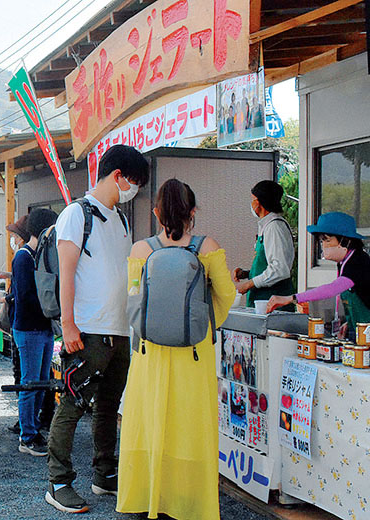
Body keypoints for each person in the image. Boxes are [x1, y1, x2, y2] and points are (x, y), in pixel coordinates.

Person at [116, 179, 236, 520]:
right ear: (192, 211)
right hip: (194, 355)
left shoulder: (141, 250)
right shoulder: (206, 247)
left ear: (156, 212)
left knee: (150, 422)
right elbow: (226, 295)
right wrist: (201, 326)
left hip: (149, 354)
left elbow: (133, 297)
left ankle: (146, 496)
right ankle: (188, 502)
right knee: (189, 427)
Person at [45, 144, 149, 514]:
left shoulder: (120, 219)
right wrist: (68, 326)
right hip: (87, 330)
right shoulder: (77, 214)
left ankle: (105, 474)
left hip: (119, 330)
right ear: (118, 176)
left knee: (108, 406)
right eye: (134, 182)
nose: (134, 190)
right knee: (73, 404)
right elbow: (66, 273)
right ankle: (58, 482)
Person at [268, 212, 370, 339]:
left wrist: (291, 298)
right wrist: (349, 323)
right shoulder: (345, 261)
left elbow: (332, 289)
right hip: (360, 330)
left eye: (327, 240)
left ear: (345, 241)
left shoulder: (358, 261)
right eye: (322, 241)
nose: (323, 245)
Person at [11, 208, 58, 457]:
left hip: (43, 328)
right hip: (30, 329)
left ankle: (33, 430)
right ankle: (27, 436)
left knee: (41, 383)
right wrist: (52, 307)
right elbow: (26, 296)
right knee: (30, 384)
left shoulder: (39, 254)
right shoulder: (24, 257)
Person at [232, 180, 295, 311]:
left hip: (274, 304)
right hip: (263, 302)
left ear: (259, 202)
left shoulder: (274, 227)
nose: (251, 203)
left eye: (252, 199)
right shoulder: (266, 226)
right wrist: (247, 274)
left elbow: (279, 269)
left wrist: (249, 284)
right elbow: (269, 265)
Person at [4, 215, 31, 435]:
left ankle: (25, 422)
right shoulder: (31, 255)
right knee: (33, 376)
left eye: (14, 235)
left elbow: (23, 294)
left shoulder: (22, 256)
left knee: (22, 373)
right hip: (27, 324)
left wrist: (5, 298)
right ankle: (32, 419)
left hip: (21, 324)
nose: (12, 239)